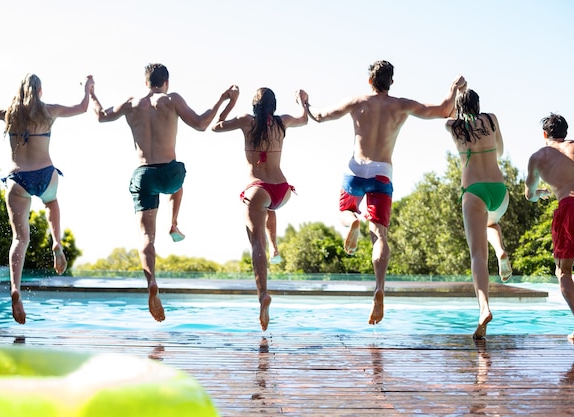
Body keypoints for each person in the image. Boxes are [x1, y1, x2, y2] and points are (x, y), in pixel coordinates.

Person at [306, 60, 466, 325]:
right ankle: (379, 286)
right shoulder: (400, 105)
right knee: (379, 234)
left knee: (344, 211)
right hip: (382, 171)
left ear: (370, 80)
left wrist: (306, 103)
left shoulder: (357, 101)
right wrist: (454, 88)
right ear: (391, 82)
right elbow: (443, 110)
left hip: (356, 167)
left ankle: (352, 221)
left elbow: (320, 116)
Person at [89, 63, 236, 322]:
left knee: (146, 236)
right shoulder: (171, 99)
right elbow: (202, 124)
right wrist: (223, 99)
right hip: (169, 173)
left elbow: (100, 115)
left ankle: (152, 282)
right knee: (179, 177)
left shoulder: (130, 103)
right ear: (165, 81)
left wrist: (90, 92)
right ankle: (174, 222)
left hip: (144, 174)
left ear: (146, 82)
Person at [0, 73, 94, 324]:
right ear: (40, 91)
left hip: (18, 180)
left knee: (20, 238)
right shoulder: (49, 111)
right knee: (51, 202)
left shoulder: (9, 113)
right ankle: (56, 241)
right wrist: (88, 88)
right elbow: (82, 108)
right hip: (45, 175)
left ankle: (16, 288)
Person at [212, 87, 309, 330]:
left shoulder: (247, 122)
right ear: (273, 106)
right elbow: (304, 119)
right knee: (268, 208)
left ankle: (263, 294)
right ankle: (275, 247)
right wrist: (302, 101)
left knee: (256, 243)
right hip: (282, 190)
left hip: (258, 189)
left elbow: (216, 125)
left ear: (254, 106)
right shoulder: (281, 123)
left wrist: (230, 101)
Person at [445, 88, 512, 340]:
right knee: (491, 222)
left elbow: (446, 112)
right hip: (499, 189)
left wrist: (454, 92)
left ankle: (484, 308)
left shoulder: (453, 126)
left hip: (473, 190)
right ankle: (500, 251)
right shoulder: (492, 119)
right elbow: (501, 151)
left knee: (477, 257)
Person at [525, 113, 574, 341]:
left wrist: (540, 194)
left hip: (567, 209)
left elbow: (529, 195)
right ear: (565, 132)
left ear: (545, 134)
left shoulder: (538, 157)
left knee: (563, 272)